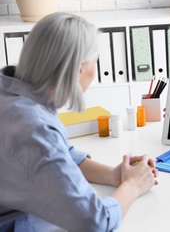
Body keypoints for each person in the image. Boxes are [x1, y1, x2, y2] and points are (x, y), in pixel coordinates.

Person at [0, 13, 159, 231]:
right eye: (95, 62)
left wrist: (115, 175)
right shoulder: (34, 128)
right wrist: (133, 186)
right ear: (80, 68)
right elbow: (94, 223)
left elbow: (62, 155)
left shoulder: (12, 94)